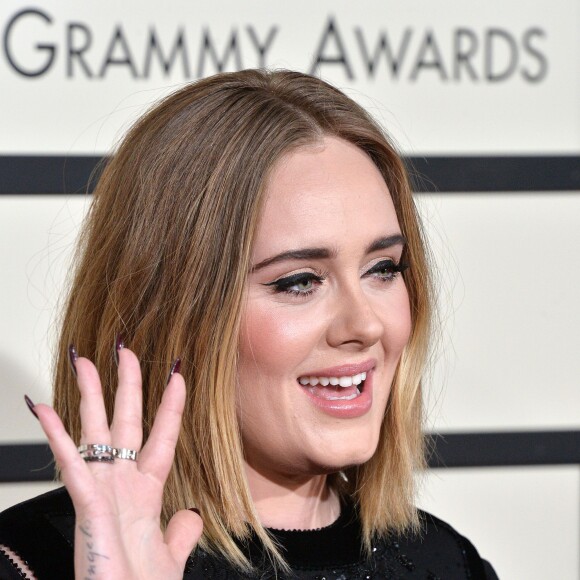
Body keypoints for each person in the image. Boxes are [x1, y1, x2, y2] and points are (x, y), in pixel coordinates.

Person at [0, 69, 498, 579]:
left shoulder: (450, 563)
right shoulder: (32, 560)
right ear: (176, 313)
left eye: (383, 269)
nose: (365, 324)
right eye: (299, 281)